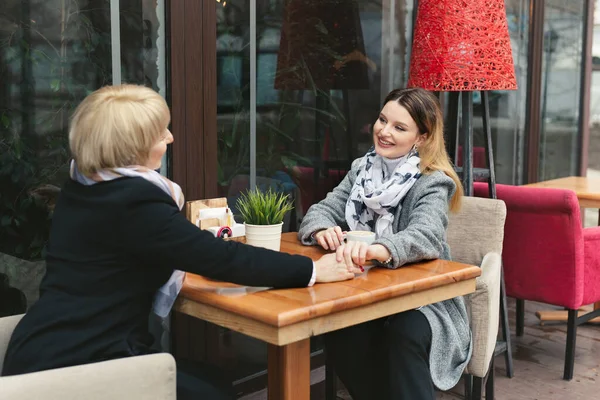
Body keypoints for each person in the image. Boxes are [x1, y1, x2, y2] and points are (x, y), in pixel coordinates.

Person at [1, 84, 360, 399]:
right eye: (161, 132)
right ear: (133, 146)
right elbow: (222, 258)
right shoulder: (136, 202)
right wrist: (313, 269)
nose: (171, 138)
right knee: (213, 391)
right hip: (83, 364)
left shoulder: (83, 187)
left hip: (41, 349)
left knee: (213, 381)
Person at [298, 87, 469, 400]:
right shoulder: (362, 170)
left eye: (399, 127)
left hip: (424, 301)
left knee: (404, 332)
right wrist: (322, 229)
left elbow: (426, 235)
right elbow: (322, 209)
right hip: (366, 294)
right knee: (340, 329)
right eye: (382, 120)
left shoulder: (432, 180)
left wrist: (376, 250)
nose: (384, 131)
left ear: (421, 137)